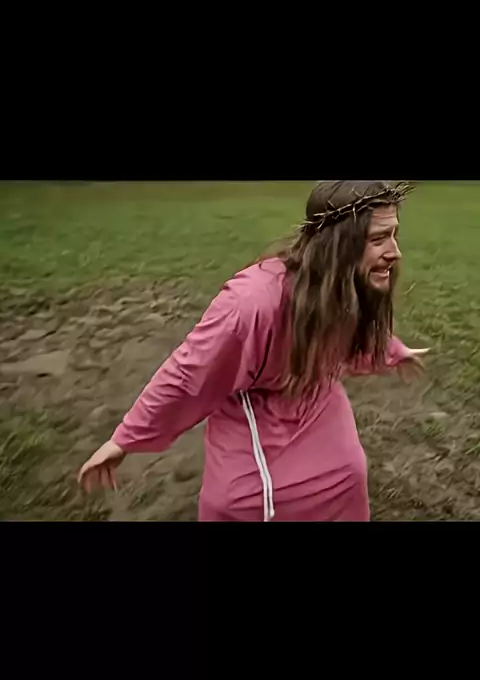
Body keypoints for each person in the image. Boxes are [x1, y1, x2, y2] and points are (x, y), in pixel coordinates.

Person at [78, 180, 428, 522]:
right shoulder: (252, 305)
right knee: (238, 503)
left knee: (349, 473)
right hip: (255, 413)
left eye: (394, 235)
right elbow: (189, 375)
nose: (395, 252)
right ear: (337, 245)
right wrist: (125, 439)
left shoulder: (347, 282)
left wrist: (392, 350)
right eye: (378, 239)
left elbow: (346, 334)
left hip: (315, 399)